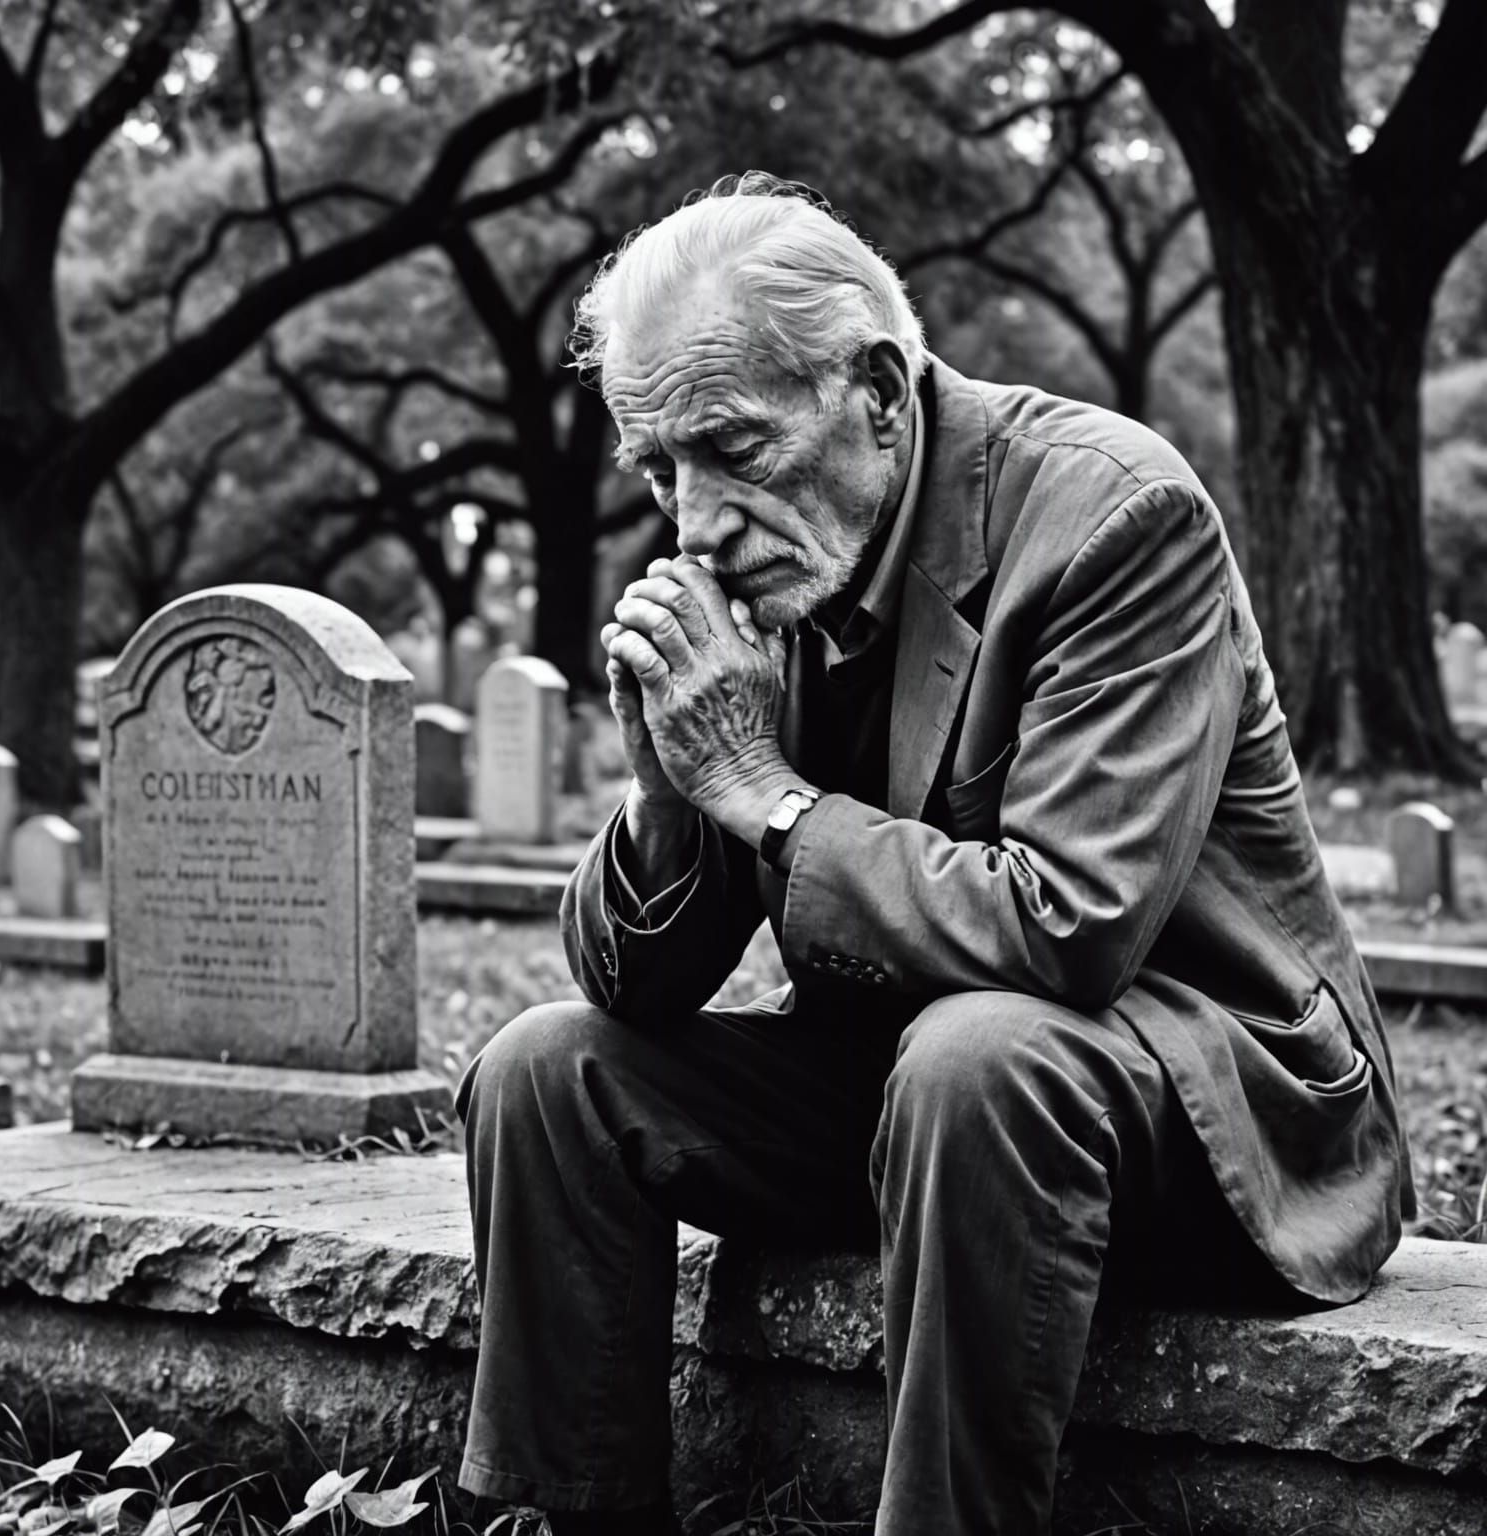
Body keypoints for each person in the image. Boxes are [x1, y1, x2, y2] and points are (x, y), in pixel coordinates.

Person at [454, 173, 1411, 1536]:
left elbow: (1072, 929)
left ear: (882, 399)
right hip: (910, 1099)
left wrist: (760, 789)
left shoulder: (1116, 516)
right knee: (542, 1071)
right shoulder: (770, 562)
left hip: (1202, 1101)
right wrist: (672, 787)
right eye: (661, 469)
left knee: (979, 1055)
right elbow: (636, 988)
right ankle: (572, 1514)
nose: (696, 523)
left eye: (733, 448)